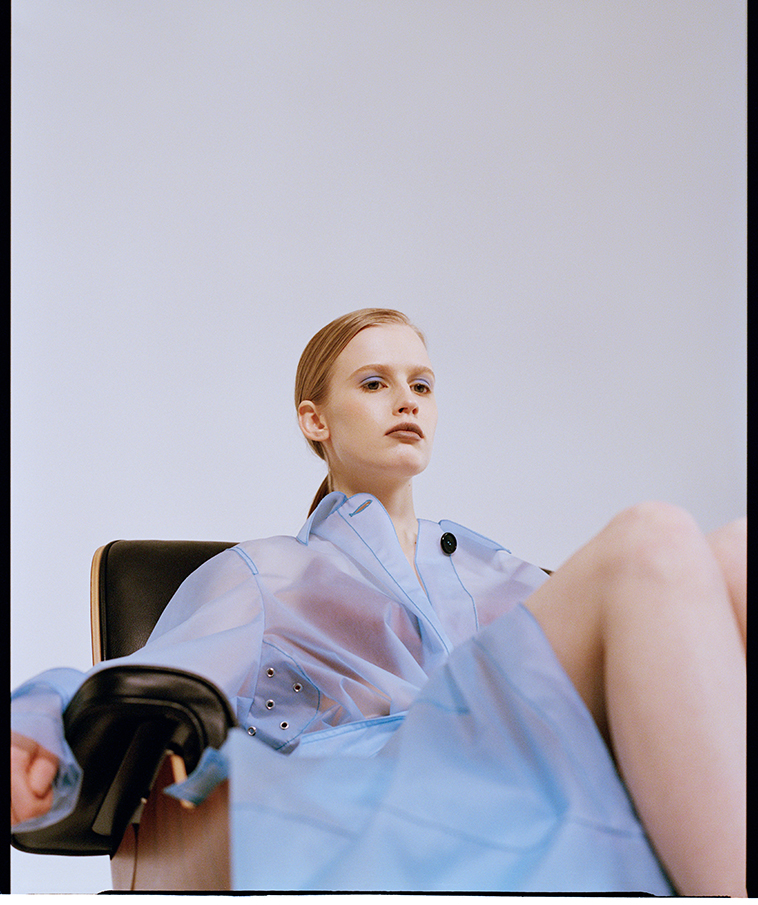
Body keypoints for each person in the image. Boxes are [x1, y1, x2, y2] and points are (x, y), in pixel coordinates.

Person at [11, 308, 746, 895]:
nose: (406, 401)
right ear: (316, 421)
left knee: (735, 552)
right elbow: (157, 674)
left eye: (422, 385)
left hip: (529, 753)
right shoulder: (268, 572)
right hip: (380, 776)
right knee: (653, 535)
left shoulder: (493, 569)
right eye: (374, 383)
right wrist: (36, 722)